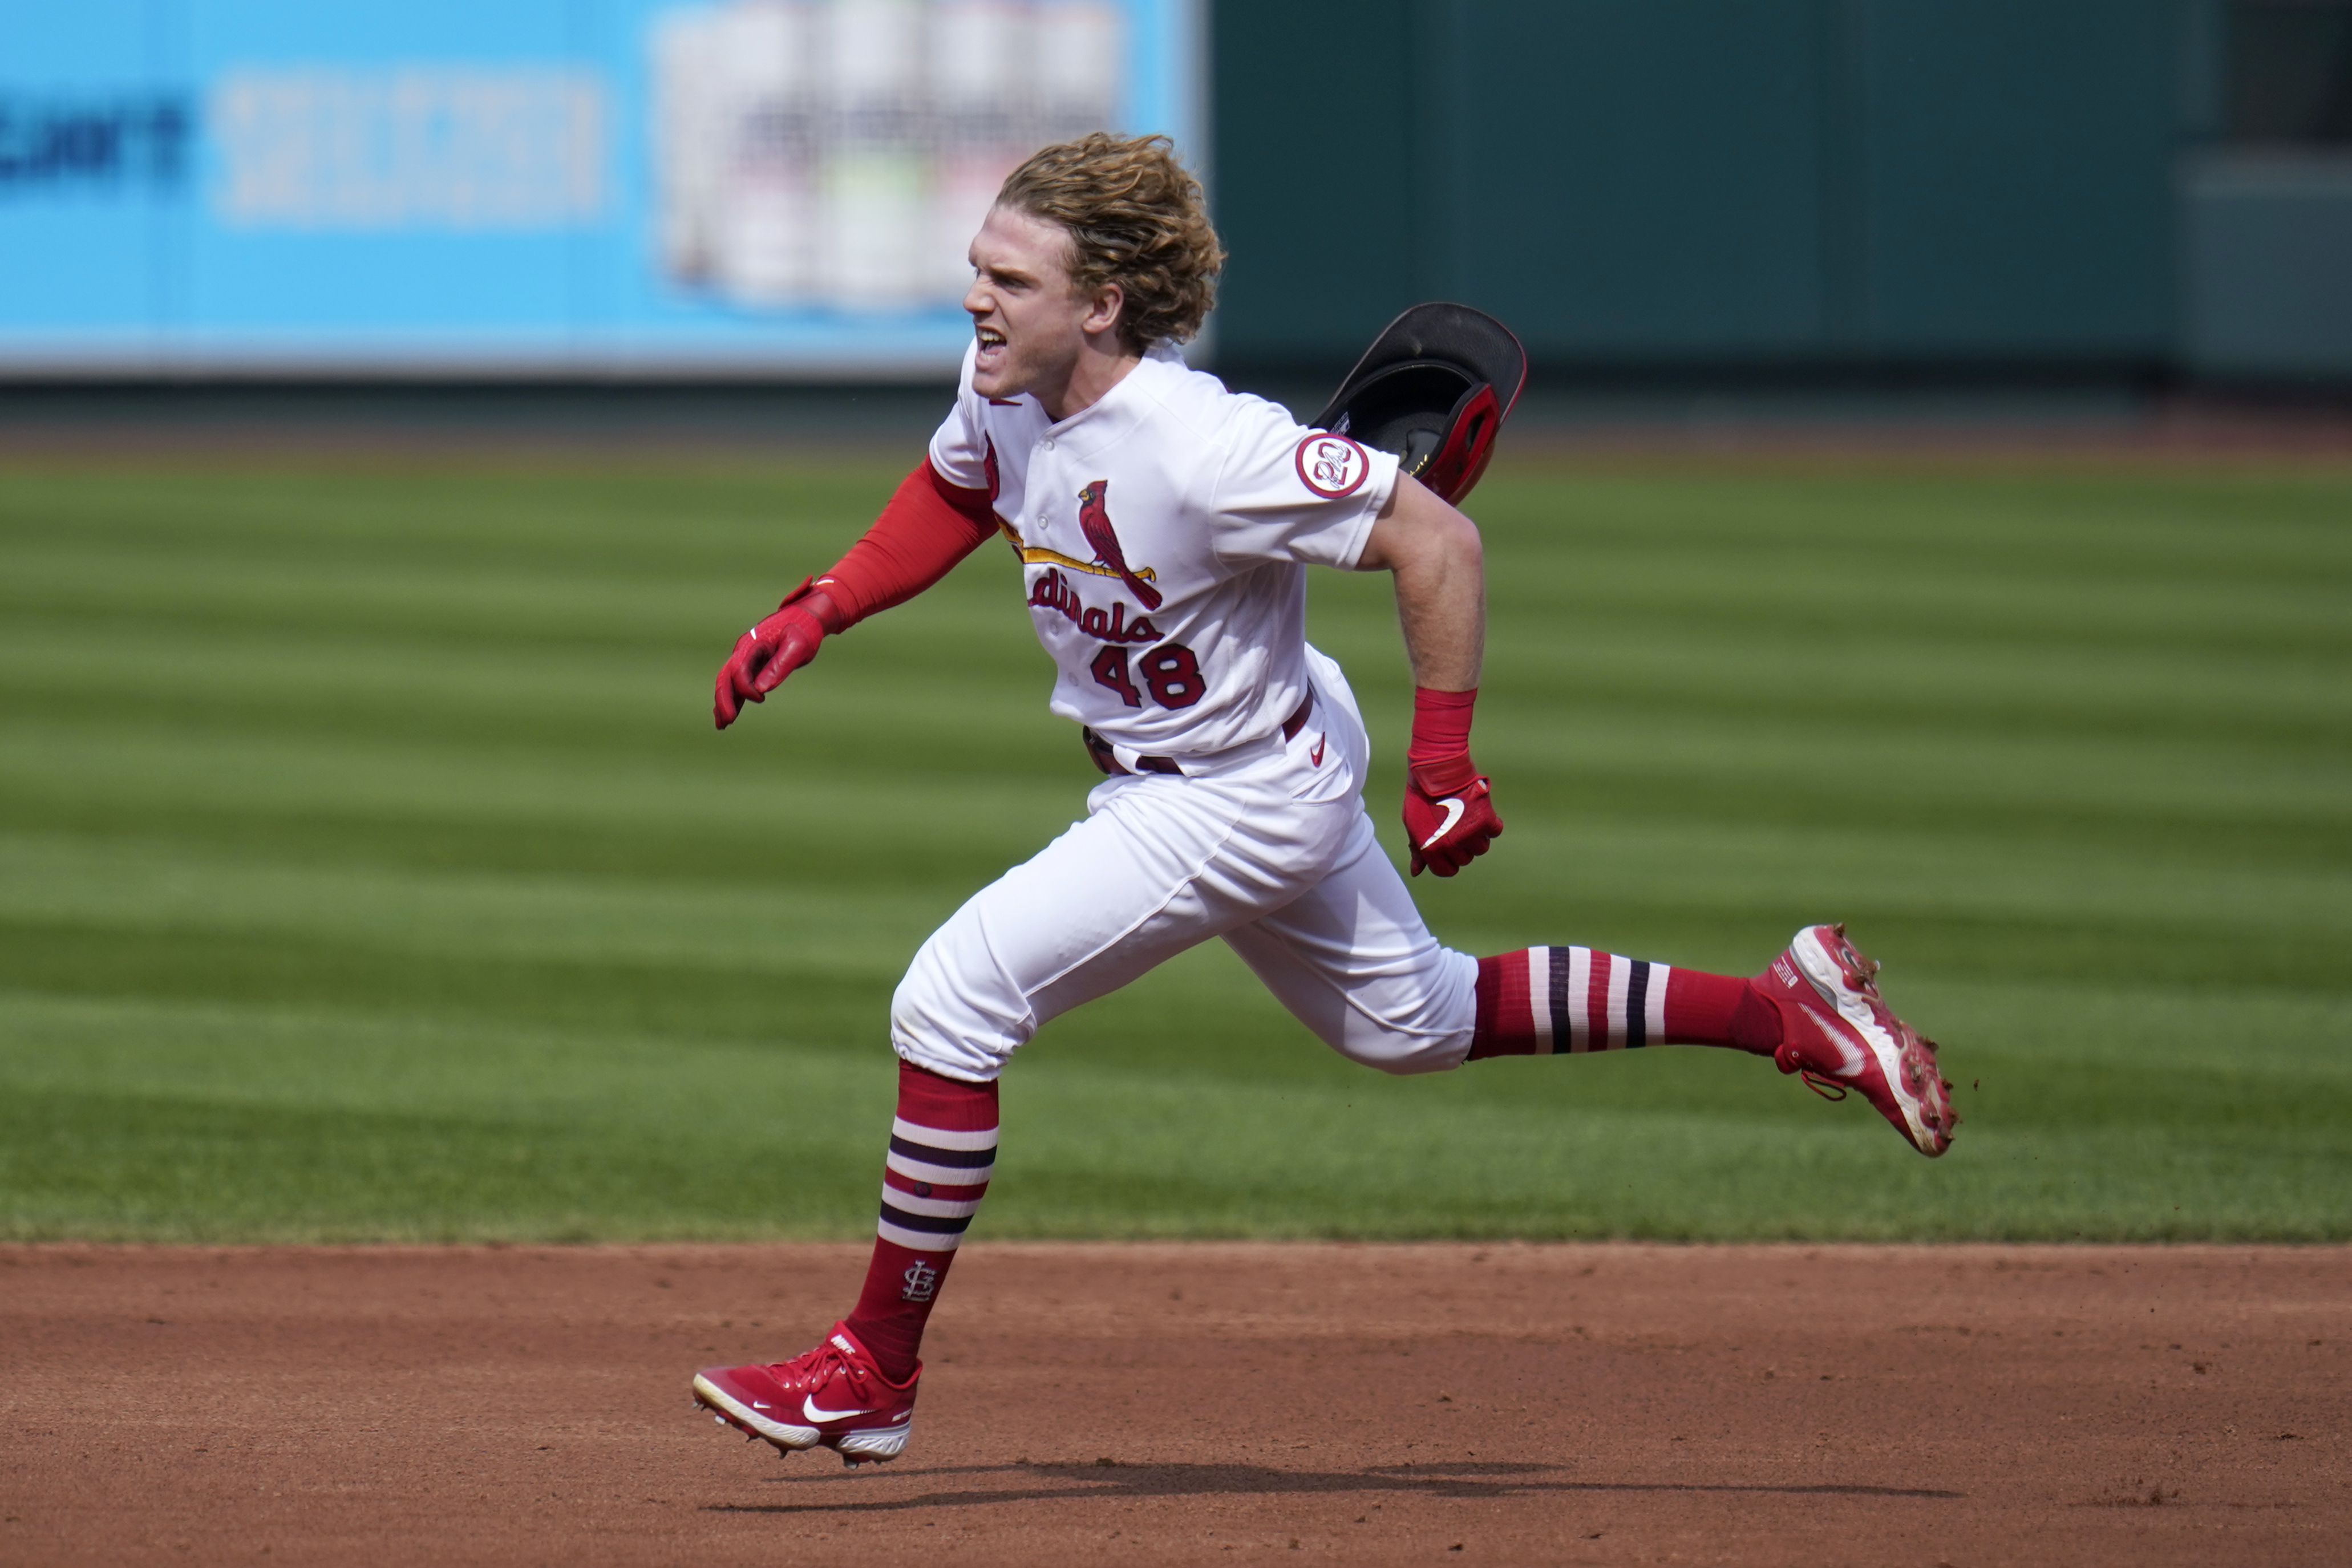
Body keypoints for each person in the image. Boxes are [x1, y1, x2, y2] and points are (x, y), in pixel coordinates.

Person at [690, 133, 1955, 1469]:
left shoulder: (1207, 445)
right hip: (1237, 754)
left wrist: (1445, 767)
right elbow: (958, 484)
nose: (977, 300)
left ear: (1103, 304)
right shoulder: (1008, 381)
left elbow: (1439, 540)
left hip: (1224, 797)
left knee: (949, 1002)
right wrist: (828, 602)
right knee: (1416, 1020)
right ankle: (1787, 1011)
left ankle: (870, 1370)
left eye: (1009, 277)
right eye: (977, 271)